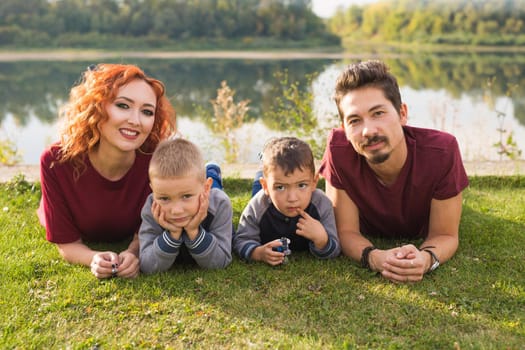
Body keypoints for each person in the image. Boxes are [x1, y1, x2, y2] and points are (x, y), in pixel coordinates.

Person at [319, 60, 469, 283]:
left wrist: (426, 259)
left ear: (402, 113)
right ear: (344, 129)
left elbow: (445, 235)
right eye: (354, 120)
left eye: (378, 113)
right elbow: (346, 231)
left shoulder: (442, 151)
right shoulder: (338, 149)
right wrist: (375, 257)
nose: (368, 131)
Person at [38, 63, 176, 279]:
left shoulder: (157, 159)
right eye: (123, 105)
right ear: (97, 107)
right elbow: (67, 243)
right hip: (60, 204)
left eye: (147, 111)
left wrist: (133, 253)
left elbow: (148, 228)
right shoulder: (56, 161)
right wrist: (93, 258)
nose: (135, 120)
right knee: (45, 211)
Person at [234, 137, 340, 266]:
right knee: (257, 189)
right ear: (266, 187)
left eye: (301, 185)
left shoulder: (322, 204)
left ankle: (265, 168)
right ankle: (261, 169)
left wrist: (322, 240)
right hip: (264, 194)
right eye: (280, 187)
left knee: (266, 179)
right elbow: (241, 240)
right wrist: (258, 253)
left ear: (314, 182)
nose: (292, 198)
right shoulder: (258, 206)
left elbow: (335, 249)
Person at [139, 138, 233, 273]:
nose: (176, 211)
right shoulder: (152, 207)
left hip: (210, 191)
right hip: (200, 186)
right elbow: (147, 265)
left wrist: (194, 232)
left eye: (186, 196)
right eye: (164, 198)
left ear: (206, 188)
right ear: (153, 190)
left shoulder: (220, 204)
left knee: (214, 183)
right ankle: (209, 171)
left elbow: (221, 260)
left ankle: (212, 170)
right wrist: (173, 235)